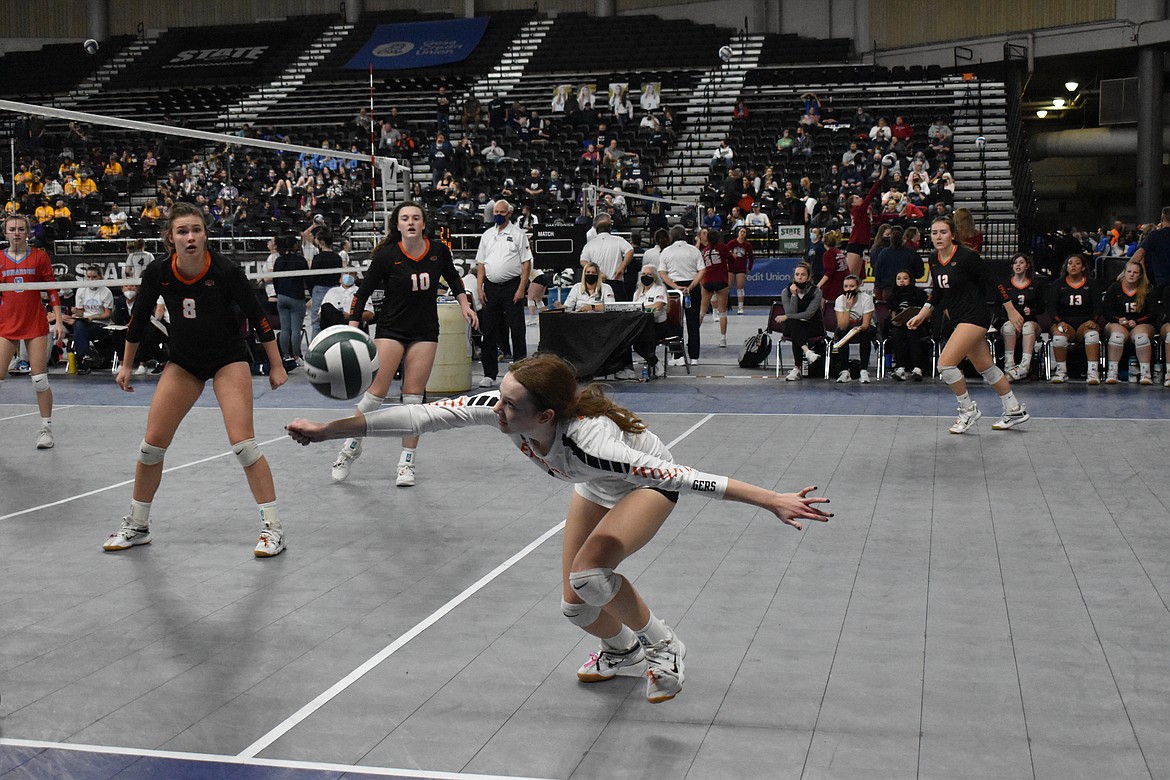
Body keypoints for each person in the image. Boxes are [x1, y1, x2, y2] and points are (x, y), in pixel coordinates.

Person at [286, 353, 832, 704]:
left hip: (642, 485)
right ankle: (622, 653)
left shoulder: (595, 442)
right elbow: (416, 416)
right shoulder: (506, 409)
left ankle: (664, 645)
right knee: (576, 607)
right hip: (592, 486)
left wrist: (770, 500)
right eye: (498, 396)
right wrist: (330, 430)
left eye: (509, 404)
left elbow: (685, 477)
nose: (496, 410)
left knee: (592, 573)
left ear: (545, 416)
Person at [103, 202, 288, 556]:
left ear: (206, 233)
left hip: (227, 359)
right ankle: (138, 524)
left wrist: (276, 365)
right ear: (170, 238)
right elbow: (138, 321)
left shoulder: (226, 270)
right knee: (151, 446)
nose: (190, 237)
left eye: (196, 230)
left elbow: (259, 317)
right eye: (182, 231)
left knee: (243, 445)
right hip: (184, 361)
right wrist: (126, 365)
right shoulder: (159, 271)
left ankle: (273, 528)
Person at [331, 202, 478, 487]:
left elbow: (456, 282)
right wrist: (353, 327)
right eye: (405, 218)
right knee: (375, 396)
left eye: (416, 218)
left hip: (424, 331)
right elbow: (362, 294)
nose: (410, 222)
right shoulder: (386, 256)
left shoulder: (438, 252)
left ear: (423, 224)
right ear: (397, 225)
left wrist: (465, 306)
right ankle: (350, 448)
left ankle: (406, 463)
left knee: (413, 400)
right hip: (391, 329)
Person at [906, 216, 1030, 432]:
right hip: (957, 317)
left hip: (975, 316)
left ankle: (967, 410)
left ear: (953, 234)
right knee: (986, 367)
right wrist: (923, 313)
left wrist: (1010, 309)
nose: (938, 237)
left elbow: (994, 281)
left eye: (943, 232)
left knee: (945, 365)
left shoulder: (967, 257)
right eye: (934, 233)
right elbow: (937, 291)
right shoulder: (934, 259)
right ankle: (1014, 409)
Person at [0, 214, 65, 449]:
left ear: (28, 232)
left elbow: (52, 290)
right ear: (5, 233)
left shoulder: (39, 256)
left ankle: (46, 429)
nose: (16, 233)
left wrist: (58, 321)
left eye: (20, 229)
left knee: (39, 379)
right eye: (11, 229)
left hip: (35, 324)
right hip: (6, 325)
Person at [475, 199, 531, 388]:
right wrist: (479, 287)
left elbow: (526, 263)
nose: (498, 215)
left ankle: (521, 371)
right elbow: (481, 264)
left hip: (512, 286)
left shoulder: (518, 234)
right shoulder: (487, 235)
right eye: (496, 212)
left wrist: (521, 288)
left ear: (509, 213)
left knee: (517, 329)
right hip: (491, 287)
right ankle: (489, 373)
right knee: (489, 330)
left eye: (502, 212)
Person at [1048, 253, 1102, 384]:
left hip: (1085, 321)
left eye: (1077, 263)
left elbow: (1098, 306)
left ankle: (1093, 372)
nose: (1073, 266)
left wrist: (1093, 320)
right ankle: (1061, 371)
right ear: (1066, 267)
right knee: (1059, 336)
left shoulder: (1092, 284)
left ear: (1083, 268)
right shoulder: (1058, 284)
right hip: (1065, 321)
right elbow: (1051, 308)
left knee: (1092, 335)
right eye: (1070, 263)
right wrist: (1059, 321)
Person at [1101, 259, 1156, 384]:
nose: (1131, 275)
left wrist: (1136, 321)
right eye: (1129, 271)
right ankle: (1112, 372)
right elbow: (1106, 311)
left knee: (1141, 337)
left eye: (1135, 272)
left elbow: (1153, 313)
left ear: (1140, 275)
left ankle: (1145, 374)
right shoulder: (1115, 288)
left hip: (1141, 323)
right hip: (1118, 323)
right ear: (1124, 273)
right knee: (1117, 336)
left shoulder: (1147, 290)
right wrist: (1118, 320)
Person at [657, 225, 704, 365]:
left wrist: (675, 287)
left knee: (673, 322)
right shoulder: (694, 250)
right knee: (693, 322)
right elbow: (702, 270)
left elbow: (662, 273)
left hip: (674, 289)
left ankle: (678, 356)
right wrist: (690, 286)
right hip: (692, 288)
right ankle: (694, 357)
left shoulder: (666, 251)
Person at [775, 261, 824, 381]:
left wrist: (786, 317)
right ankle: (807, 352)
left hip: (813, 325)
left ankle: (796, 369)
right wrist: (793, 295)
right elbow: (790, 312)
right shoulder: (786, 292)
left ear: (808, 277)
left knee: (793, 325)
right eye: (797, 274)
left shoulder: (816, 291)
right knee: (794, 324)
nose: (800, 277)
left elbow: (808, 315)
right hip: (795, 326)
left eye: (803, 275)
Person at [1001, 253, 1044, 381]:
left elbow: (1041, 308)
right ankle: (1009, 365)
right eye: (1015, 263)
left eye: (1021, 262)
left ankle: (1024, 366)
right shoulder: (1004, 285)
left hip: (1029, 321)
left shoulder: (1036, 285)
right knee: (1009, 327)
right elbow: (999, 308)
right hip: (1011, 322)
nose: (1018, 265)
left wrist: (1031, 310)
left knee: (1028, 326)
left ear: (1027, 266)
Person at [69, 264, 115, 373]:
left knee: (79, 331)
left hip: (101, 322)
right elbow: (80, 313)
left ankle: (82, 361)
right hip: (84, 322)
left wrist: (92, 317)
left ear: (100, 277)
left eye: (94, 277)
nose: (91, 279)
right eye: (88, 277)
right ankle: (85, 356)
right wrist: (76, 312)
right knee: (79, 325)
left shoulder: (106, 292)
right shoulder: (81, 290)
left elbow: (107, 314)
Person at [830, 274, 876, 384]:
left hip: (863, 328)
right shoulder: (840, 300)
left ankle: (864, 371)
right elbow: (842, 325)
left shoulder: (866, 299)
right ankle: (845, 371)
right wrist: (848, 307)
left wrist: (858, 328)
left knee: (866, 333)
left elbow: (866, 323)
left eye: (851, 286)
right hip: (847, 329)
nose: (848, 289)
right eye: (846, 286)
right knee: (841, 333)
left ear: (858, 287)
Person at [272, 233, 309, 367]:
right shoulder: (300, 260)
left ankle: (285, 356)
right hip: (296, 297)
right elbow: (307, 278)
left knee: (285, 329)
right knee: (295, 329)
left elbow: (275, 279)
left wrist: (279, 293)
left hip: (281, 297)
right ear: (295, 245)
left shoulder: (278, 260)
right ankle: (296, 357)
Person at [884, 270, 928, 381]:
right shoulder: (892, 296)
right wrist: (895, 320)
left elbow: (924, 312)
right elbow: (892, 314)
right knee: (896, 333)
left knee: (912, 333)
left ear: (910, 280)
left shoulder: (919, 294)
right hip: (899, 325)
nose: (902, 281)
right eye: (899, 279)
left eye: (905, 278)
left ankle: (917, 368)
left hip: (917, 324)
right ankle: (900, 367)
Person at [579, 214, 634, 301]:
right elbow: (630, 251)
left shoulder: (589, 245)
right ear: (610, 229)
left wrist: (597, 273)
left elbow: (583, 261)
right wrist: (622, 267)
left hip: (598, 282)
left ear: (596, 230)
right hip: (616, 281)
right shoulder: (619, 240)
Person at [844, 168, 886, 277]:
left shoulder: (863, 213)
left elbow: (877, 218)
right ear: (853, 204)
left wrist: (897, 215)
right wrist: (880, 178)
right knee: (851, 276)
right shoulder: (857, 210)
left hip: (861, 243)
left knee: (856, 277)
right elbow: (870, 196)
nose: (860, 198)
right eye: (857, 198)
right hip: (855, 244)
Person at [698, 229, 731, 348]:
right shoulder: (722, 248)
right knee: (722, 311)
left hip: (707, 281)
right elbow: (732, 259)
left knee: (702, 310)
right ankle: (723, 338)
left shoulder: (705, 251)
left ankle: (694, 335)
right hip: (721, 281)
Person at [725, 226, 755, 314]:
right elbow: (725, 253)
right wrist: (726, 263)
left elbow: (751, 258)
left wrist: (749, 267)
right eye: (741, 231)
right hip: (730, 268)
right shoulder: (731, 243)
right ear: (738, 233)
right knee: (727, 286)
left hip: (741, 268)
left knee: (740, 287)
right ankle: (724, 305)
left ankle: (740, 307)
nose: (742, 233)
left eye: (744, 232)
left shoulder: (747, 245)